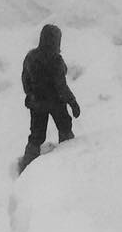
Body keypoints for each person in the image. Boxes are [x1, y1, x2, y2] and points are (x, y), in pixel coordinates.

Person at [19, 24, 80, 173]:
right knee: (65, 128)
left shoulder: (31, 57)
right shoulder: (56, 61)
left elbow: (24, 79)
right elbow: (61, 87)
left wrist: (30, 94)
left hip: (37, 103)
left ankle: (26, 167)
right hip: (55, 102)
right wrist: (73, 103)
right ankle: (68, 161)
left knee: (36, 135)